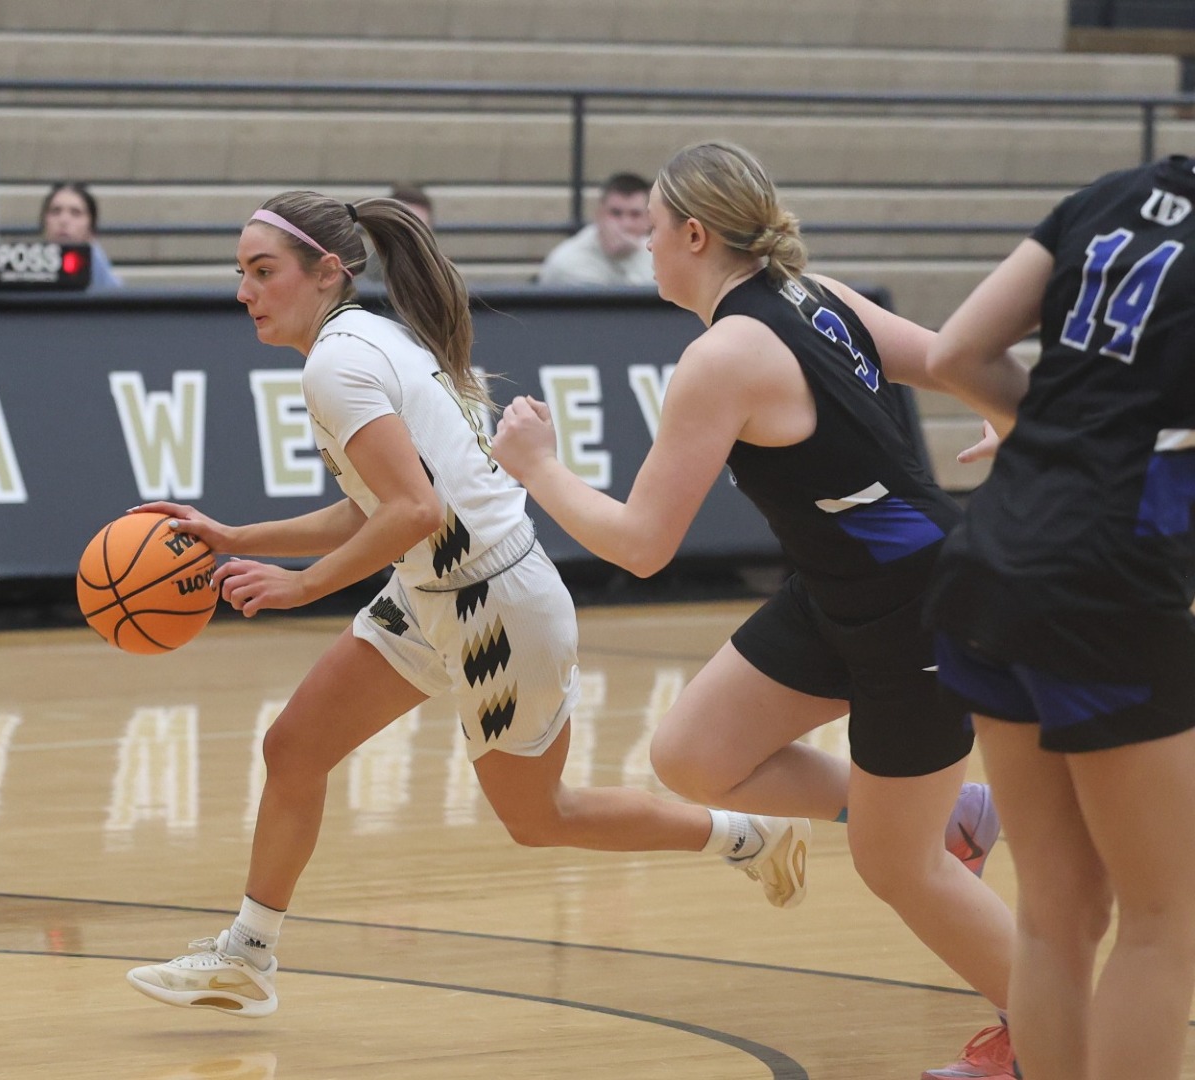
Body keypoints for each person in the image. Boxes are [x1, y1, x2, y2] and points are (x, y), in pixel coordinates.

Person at [123, 189, 813, 1021]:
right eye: (241, 273)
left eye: (262, 272)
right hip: (433, 593)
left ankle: (749, 833)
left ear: (325, 272)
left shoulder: (336, 364)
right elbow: (383, 502)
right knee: (294, 747)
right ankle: (249, 955)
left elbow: (413, 512)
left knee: (539, 818)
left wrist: (302, 585)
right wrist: (237, 537)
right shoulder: (368, 340)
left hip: (496, 609)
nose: (245, 291)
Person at [490, 141, 1016, 1079]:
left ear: (694, 234)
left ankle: (1053, 1035)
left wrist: (538, 469)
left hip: (918, 607)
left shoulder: (723, 356)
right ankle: (951, 817)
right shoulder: (816, 291)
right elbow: (949, 359)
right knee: (695, 754)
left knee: (899, 872)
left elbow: (642, 546)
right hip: (837, 590)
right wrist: (1012, 414)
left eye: (653, 229)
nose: (645, 246)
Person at [924, 156, 1195, 1080]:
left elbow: (956, 354)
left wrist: (1068, 440)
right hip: (1109, 580)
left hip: (994, 555)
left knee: (1059, 907)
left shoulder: (1107, 197)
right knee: (1165, 924)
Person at [535, 172, 654, 287]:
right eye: (616, 213)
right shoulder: (567, 262)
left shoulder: (657, 254)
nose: (625, 224)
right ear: (599, 215)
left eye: (635, 215)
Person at [40, 182, 122, 289]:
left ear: (91, 226)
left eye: (75, 213)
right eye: (56, 211)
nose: (63, 220)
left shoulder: (99, 269)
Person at [360, 182, 432, 284]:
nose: (414, 235)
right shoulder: (361, 278)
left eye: (420, 227)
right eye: (405, 226)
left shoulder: (445, 280)